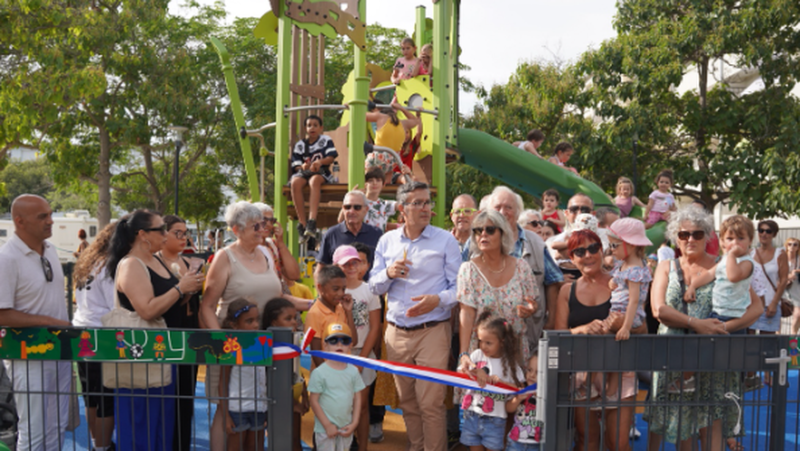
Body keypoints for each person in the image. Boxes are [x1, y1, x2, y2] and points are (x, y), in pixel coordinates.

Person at [644, 206, 763, 450]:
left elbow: (756, 308)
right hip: (675, 359)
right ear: (675, 237)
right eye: (683, 234)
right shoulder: (666, 266)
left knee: (712, 428)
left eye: (697, 234)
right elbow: (659, 310)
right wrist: (697, 324)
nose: (690, 239)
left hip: (715, 358)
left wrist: (723, 327)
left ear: (708, 236)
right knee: (682, 432)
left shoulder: (725, 266)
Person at [200, 201, 308, 451]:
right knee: (226, 406)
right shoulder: (224, 258)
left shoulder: (268, 251)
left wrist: (315, 303)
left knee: (263, 404)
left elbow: (281, 294)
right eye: (255, 226)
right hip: (234, 346)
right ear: (236, 230)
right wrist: (221, 343)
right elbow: (207, 305)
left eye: (263, 223)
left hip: (268, 346)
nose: (262, 229)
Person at [369, 181, 461, 451]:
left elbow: (460, 287)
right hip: (396, 332)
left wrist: (437, 300)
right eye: (417, 203)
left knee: (430, 403)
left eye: (427, 202)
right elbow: (373, 285)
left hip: (433, 329)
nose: (425, 208)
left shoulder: (445, 240)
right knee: (407, 402)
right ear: (402, 209)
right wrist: (389, 273)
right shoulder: (387, 241)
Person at [106, 209, 204, 451]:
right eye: (160, 229)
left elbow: (167, 306)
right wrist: (181, 288)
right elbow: (147, 310)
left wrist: (187, 289)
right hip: (140, 359)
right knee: (141, 428)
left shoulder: (156, 260)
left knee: (162, 428)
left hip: (162, 357)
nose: (165, 233)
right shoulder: (131, 264)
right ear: (142, 235)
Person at [0, 195, 72, 451]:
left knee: (56, 426)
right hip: (28, 357)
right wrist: (50, 322)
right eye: (43, 216)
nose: (51, 221)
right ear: (19, 221)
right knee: (35, 432)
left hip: (59, 353)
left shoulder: (50, 250)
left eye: (50, 214)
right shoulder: (7, 258)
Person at [553, 230, 635, 451]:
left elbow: (643, 326)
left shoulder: (620, 284)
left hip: (619, 370)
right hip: (582, 374)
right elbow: (558, 334)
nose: (588, 255)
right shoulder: (566, 291)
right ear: (571, 258)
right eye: (580, 251)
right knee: (586, 440)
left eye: (592, 249)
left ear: (602, 250)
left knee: (618, 443)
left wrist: (623, 325)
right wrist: (581, 329)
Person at [464, 186, 564, 342]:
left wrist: (550, 322)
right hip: (483, 337)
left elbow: (553, 281)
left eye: (508, 207)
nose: (503, 212)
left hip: (524, 334)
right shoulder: (473, 242)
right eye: (497, 207)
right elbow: (462, 292)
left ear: (518, 213)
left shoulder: (536, 243)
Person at [671, 215, 754, 393]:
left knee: (701, 346)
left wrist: (730, 254)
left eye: (741, 238)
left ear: (750, 241)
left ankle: (689, 380)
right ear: (722, 241)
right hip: (719, 312)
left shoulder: (747, 262)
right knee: (706, 349)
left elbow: (733, 275)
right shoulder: (724, 261)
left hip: (733, 314)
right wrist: (692, 286)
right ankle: (691, 379)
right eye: (730, 239)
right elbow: (709, 275)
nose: (735, 243)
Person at [457, 210, 538, 364]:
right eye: (478, 231)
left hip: (515, 350)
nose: (483, 235)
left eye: (490, 230)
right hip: (481, 353)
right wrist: (464, 354)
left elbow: (532, 304)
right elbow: (466, 314)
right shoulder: (468, 269)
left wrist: (530, 309)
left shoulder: (522, 267)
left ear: (503, 233)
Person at [157, 215, 203, 451]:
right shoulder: (153, 263)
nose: (184, 238)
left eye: (186, 233)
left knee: (186, 399)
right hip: (163, 339)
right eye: (178, 233)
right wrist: (182, 290)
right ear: (162, 234)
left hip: (190, 339)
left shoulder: (190, 262)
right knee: (164, 401)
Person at [72, 222, 118, 451]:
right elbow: (115, 307)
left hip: (82, 333)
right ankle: (103, 445)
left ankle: (95, 443)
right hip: (102, 336)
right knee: (105, 397)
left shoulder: (87, 261)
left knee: (91, 395)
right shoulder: (110, 265)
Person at [333, 245, 380, 451]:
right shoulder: (332, 291)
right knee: (338, 405)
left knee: (360, 407)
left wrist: (361, 360)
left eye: (355, 262)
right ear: (336, 266)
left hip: (363, 354)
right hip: (337, 355)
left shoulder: (369, 290)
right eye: (346, 264)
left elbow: (375, 327)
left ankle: (362, 447)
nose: (351, 267)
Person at [457, 313, 525, 451]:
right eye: (481, 341)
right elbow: (460, 373)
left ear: (502, 341)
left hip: (495, 421)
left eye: (488, 342)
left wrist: (502, 383)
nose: (483, 346)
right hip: (472, 415)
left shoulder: (510, 365)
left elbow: (521, 390)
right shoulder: (476, 355)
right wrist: (476, 370)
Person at [308, 323, 366, 451]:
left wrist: (354, 423)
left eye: (345, 341)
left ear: (351, 345)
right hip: (324, 429)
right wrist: (327, 425)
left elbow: (357, 399)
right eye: (333, 341)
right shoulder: (319, 372)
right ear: (325, 345)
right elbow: (314, 400)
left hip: (346, 427)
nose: (339, 345)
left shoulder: (353, 371)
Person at [218, 299, 267, 451]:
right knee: (235, 446)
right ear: (234, 325)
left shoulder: (262, 344)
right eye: (249, 321)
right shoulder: (230, 348)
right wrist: (225, 416)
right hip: (237, 408)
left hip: (259, 406)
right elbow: (223, 382)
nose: (255, 325)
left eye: (257, 320)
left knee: (255, 446)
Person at [261, 298, 308, 451]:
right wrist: (293, 404)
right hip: (280, 402)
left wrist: (304, 396)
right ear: (274, 322)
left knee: (295, 440)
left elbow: (297, 370)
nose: (294, 322)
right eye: (288, 319)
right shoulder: (271, 347)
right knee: (283, 440)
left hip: (294, 398)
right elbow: (272, 379)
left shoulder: (293, 339)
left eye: (295, 317)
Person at [749, 219, 788, 385]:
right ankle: (750, 375)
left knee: (768, 343)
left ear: (774, 234)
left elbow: (784, 279)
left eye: (768, 231)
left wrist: (774, 303)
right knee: (749, 343)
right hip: (750, 305)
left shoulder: (780, 253)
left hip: (770, 303)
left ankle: (767, 375)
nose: (764, 234)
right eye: (761, 230)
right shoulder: (750, 253)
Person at [290, 114, 339, 241]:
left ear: (321, 128)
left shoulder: (325, 140)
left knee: (314, 180)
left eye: (315, 125)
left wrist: (319, 162)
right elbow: (295, 165)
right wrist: (303, 167)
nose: (312, 128)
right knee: (295, 182)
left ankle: (312, 221)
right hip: (304, 173)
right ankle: (302, 224)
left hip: (321, 172)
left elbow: (331, 157)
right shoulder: (300, 145)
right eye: (309, 125)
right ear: (305, 128)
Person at [319, 191, 382, 276]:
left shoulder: (376, 234)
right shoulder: (331, 234)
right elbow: (321, 268)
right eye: (347, 207)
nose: (351, 211)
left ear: (366, 209)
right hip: (340, 288)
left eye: (357, 207)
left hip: (369, 288)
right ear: (343, 209)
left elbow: (383, 266)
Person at [307, 265, 357, 368]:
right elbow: (315, 351)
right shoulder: (315, 313)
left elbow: (353, 341)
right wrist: (327, 375)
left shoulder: (341, 308)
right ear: (320, 288)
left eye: (343, 289)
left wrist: (348, 312)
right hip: (324, 375)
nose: (340, 293)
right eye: (335, 289)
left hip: (343, 370)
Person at [365, 101, 420, 181]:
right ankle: (387, 185)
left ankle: (365, 184)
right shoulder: (402, 123)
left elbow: (361, 115)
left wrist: (350, 107)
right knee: (388, 174)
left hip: (378, 156)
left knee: (367, 170)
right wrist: (401, 108)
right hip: (393, 159)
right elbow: (415, 121)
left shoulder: (381, 117)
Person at [252, 202, 302, 283]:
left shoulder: (273, 245)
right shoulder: (245, 247)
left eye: (271, 220)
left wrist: (281, 243)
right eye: (264, 220)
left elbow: (294, 275)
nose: (268, 224)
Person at [505, 352, 543, 451]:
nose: (532, 375)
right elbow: (508, 408)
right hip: (515, 442)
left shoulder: (546, 395)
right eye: (530, 370)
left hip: (537, 444)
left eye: (538, 372)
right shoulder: (522, 389)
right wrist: (518, 399)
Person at [363, 167, 399, 232]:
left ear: (383, 184)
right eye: (370, 180)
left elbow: (406, 205)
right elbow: (341, 220)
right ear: (365, 184)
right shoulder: (360, 202)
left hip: (379, 241)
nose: (374, 183)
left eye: (378, 180)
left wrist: (408, 175)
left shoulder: (385, 204)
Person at [786, 237, 800, 334]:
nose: (792, 247)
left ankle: (793, 340)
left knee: (798, 315)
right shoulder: (781, 258)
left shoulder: (799, 259)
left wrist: (795, 271)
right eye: (790, 244)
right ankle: (779, 341)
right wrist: (787, 276)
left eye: (795, 244)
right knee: (778, 315)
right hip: (781, 287)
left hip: (795, 288)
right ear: (786, 246)